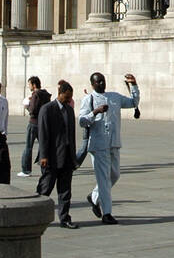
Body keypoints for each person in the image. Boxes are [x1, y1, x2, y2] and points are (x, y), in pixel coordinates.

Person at [78, 72, 140, 224]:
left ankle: (94, 196)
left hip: (113, 143)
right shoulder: (89, 99)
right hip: (98, 145)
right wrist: (95, 112)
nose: (101, 84)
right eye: (98, 82)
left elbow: (133, 102)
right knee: (104, 179)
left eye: (103, 81)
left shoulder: (114, 97)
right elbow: (82, 121)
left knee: (115, 174)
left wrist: (134, 85)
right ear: (92, 84)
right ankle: (107, 213)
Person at [37, 80, 80, 227]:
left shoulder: (69, 110)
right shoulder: (47, 109)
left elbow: (72, 135)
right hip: (51, 157)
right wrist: (43, 155)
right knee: (45, 188)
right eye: (67, 97)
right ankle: (36, 215)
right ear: (60, 94)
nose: (69, 100)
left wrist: (74, 157)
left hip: (67, 156)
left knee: (65, 190)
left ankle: (65, 218)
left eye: (70, 97)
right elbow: (43, 134)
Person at [18, 76, 50, 177]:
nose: (29, 86)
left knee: (28, 146)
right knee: (43, 146)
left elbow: (33, 110)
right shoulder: (46, 95)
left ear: (34, 84)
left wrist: (27, 106)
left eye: (29, 84)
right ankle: (44, 168)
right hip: (43, 123)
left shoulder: (36, 95)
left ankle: (26, 169)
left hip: (34, 123)